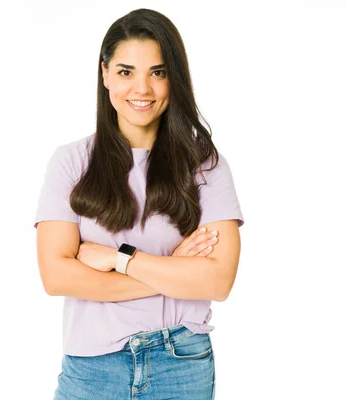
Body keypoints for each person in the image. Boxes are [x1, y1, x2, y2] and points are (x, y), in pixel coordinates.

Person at [33, 8, 245, 400]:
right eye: (126, 71)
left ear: (174, 78)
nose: (142, 89)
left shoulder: (205, 165)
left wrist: (120, 259)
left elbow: (217, 282)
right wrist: (173, 272)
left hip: (181, 363)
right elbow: (56, 276)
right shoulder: (72, 161)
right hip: (93, 366)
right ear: (105, 74)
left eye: (158, 72)